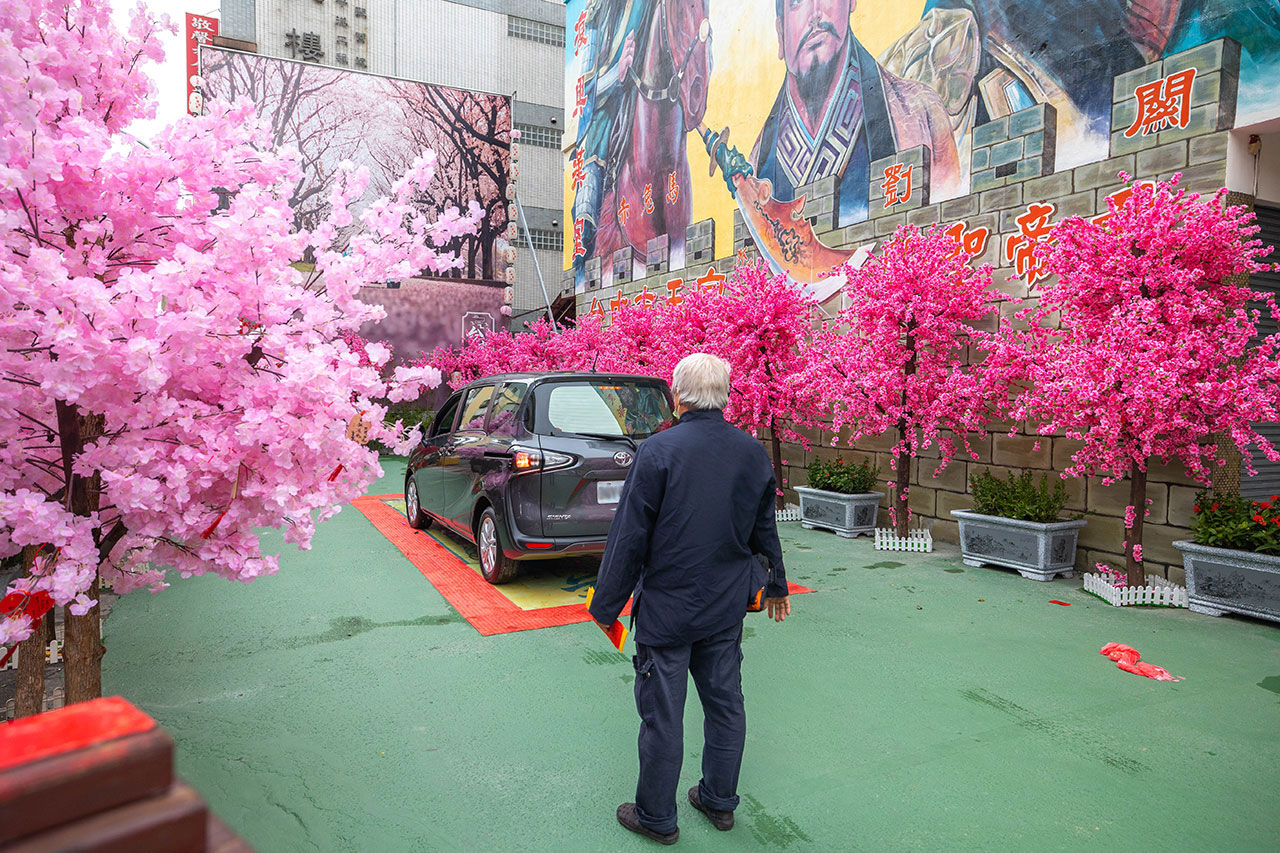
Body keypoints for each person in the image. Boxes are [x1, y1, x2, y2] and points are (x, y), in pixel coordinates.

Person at [588, 353, 791, 845]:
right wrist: (778, 585)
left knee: (662, 713)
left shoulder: (658, 452)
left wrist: (606, 606)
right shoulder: (752, 453)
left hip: (668, 610)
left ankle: (656, 816)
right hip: (724, 608)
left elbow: (629, 536)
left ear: (676, 397)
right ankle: (719, 802)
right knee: (726, 705)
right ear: (726, 395)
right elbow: (765, 527)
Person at [750, 0, 962, 224]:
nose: (815, 14)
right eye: (796, 2)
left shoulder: (920, 112)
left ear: (851, 3)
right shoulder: (755, 165)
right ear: (780, 31)